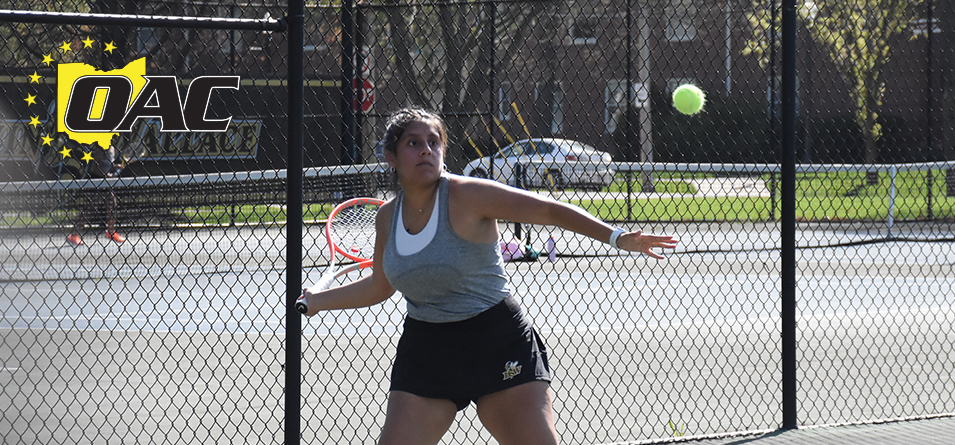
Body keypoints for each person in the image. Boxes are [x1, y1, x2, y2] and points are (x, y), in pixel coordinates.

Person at [298, 107, 678, 444]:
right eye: (414, 143)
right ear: (390, 156)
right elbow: (381, 286)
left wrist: (616, 237)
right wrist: (317, 301)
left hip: (495, 340)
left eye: (434, 142)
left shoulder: (469, 195)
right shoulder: (387, 218)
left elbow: (549, 211)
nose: (427, 150)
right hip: (427, 349)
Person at [66, 144, 126, 246]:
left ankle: (111, 232)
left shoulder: (112, 148)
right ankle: (73, 235)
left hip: (105, 182)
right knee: (90, 210)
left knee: (112, 203)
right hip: (95, 180)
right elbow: (97, 168)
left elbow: (107, 165)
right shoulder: (101, 148)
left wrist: (115, 168)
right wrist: (110, 175)